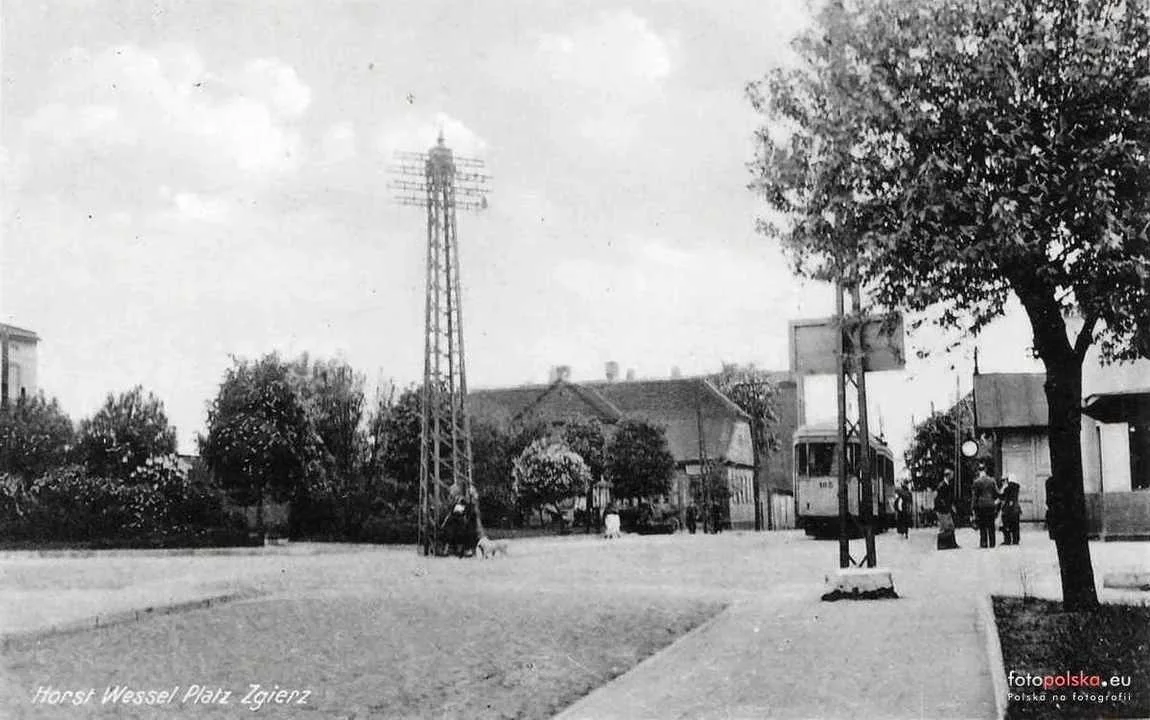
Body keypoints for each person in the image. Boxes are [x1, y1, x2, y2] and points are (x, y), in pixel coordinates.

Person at [971, 462, 1001, 549]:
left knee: (982, 525)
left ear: (978, 471)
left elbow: (974, 497)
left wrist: (972, 509)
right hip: (991, 505)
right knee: (991, 524)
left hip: (981, 506)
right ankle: (992, 543)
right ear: (986, 470)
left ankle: (983, 543)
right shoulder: (992, 480)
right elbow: (997, 493)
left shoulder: (976, 482)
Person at [935, 469, 959, 550]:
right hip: (943, 510)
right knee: (944, 527)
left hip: (946, 509)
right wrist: (946, 507)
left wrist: (951, 506)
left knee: (950, 526)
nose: (952, 476)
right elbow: (940, 499)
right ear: (948, 475)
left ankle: (952, 544)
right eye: (951, 475)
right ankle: (942, 545)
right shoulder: (942, 485)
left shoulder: (947, 484)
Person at [1000, 475, 1021, 545]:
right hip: (1016, 509)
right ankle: (1016, 539)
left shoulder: (1007, 489)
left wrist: (1003, 487)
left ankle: (1007, 540)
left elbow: (1002, 497)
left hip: (1008, 510)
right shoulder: (1017, 487)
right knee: (1016, 525)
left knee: (1006, 525)